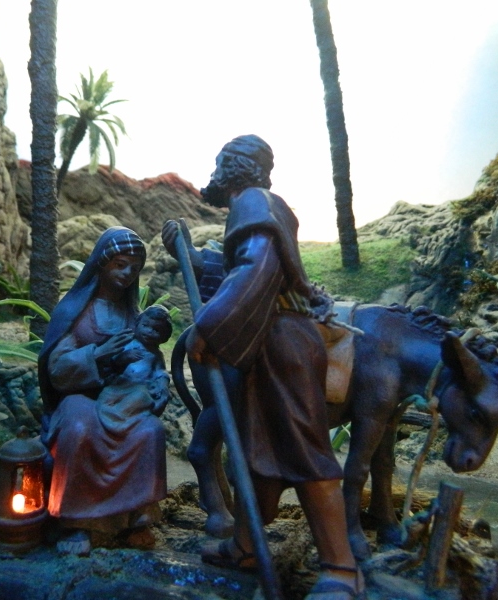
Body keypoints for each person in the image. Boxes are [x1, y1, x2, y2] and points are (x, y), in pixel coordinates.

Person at [162, 135, 363, 599]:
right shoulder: (255, 208)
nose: (214, 171)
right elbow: (233, 268)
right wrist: (188, 255)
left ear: (235, 166)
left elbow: (255, 269)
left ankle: (342, 569)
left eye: (220, 163)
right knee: (258, 450)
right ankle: (246, 547)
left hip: (283, 344)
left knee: (305, 452)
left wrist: (208, 326)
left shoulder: (254, 202)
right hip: (266, 347)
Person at [38, 227, 167, 554]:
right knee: (80, 428)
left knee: (150, 430)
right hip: (80, 394)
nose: (126, 274)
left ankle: (135, 515)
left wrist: (156, 382)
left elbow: (151, 356)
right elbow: (57, 367)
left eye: (134, 268)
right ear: (101, 264)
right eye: (120, 265)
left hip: (123, 395)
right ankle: (76, 522)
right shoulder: (74, 311)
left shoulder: (133, 315)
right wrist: (97, 354)